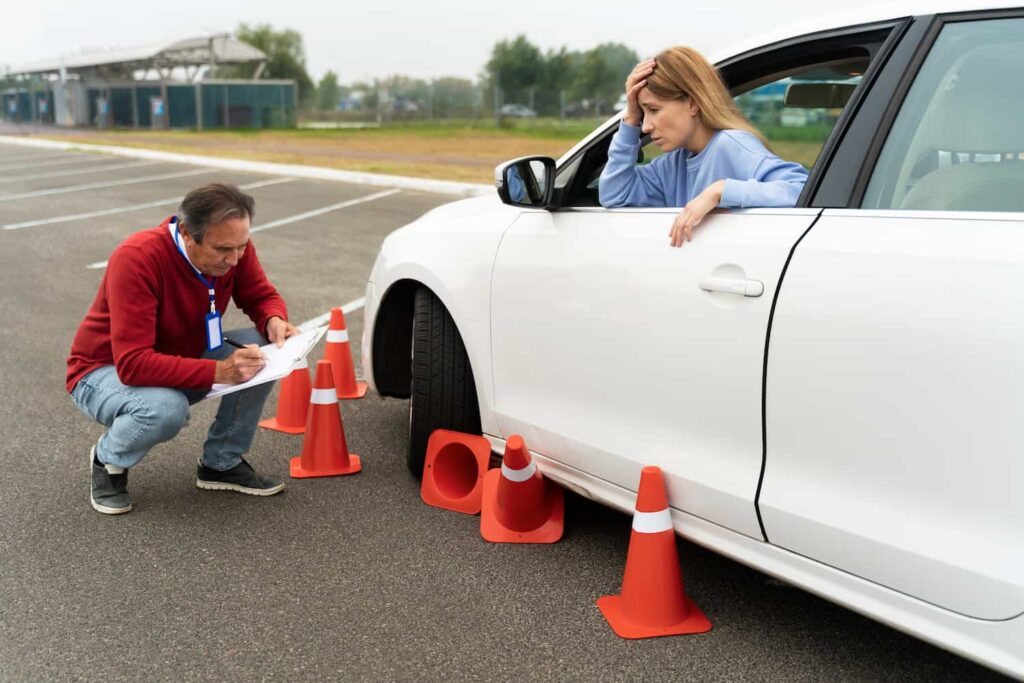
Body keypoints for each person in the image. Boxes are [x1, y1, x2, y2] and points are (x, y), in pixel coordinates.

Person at [67, 182, 299, 515]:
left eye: (242, 247)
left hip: (177, 358)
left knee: (262, 349)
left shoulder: (234, 247)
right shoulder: (137, 258)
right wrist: (219, 371)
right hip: (103, 371)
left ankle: (220, 463)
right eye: (223, 250)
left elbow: (261, 296)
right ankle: (109, 461)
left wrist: (273, 319)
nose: (234, 260)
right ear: (188, 234)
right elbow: (133, 364)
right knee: (165, 409)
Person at [599, 47, 809, 247]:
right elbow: (615, 195)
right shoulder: (671, 164)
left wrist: (721, 190)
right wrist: (630, 117)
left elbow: (801, 190)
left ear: (692, 103)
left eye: (653, 109)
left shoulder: (731, 145)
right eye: (642, 114)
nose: (645, 126)